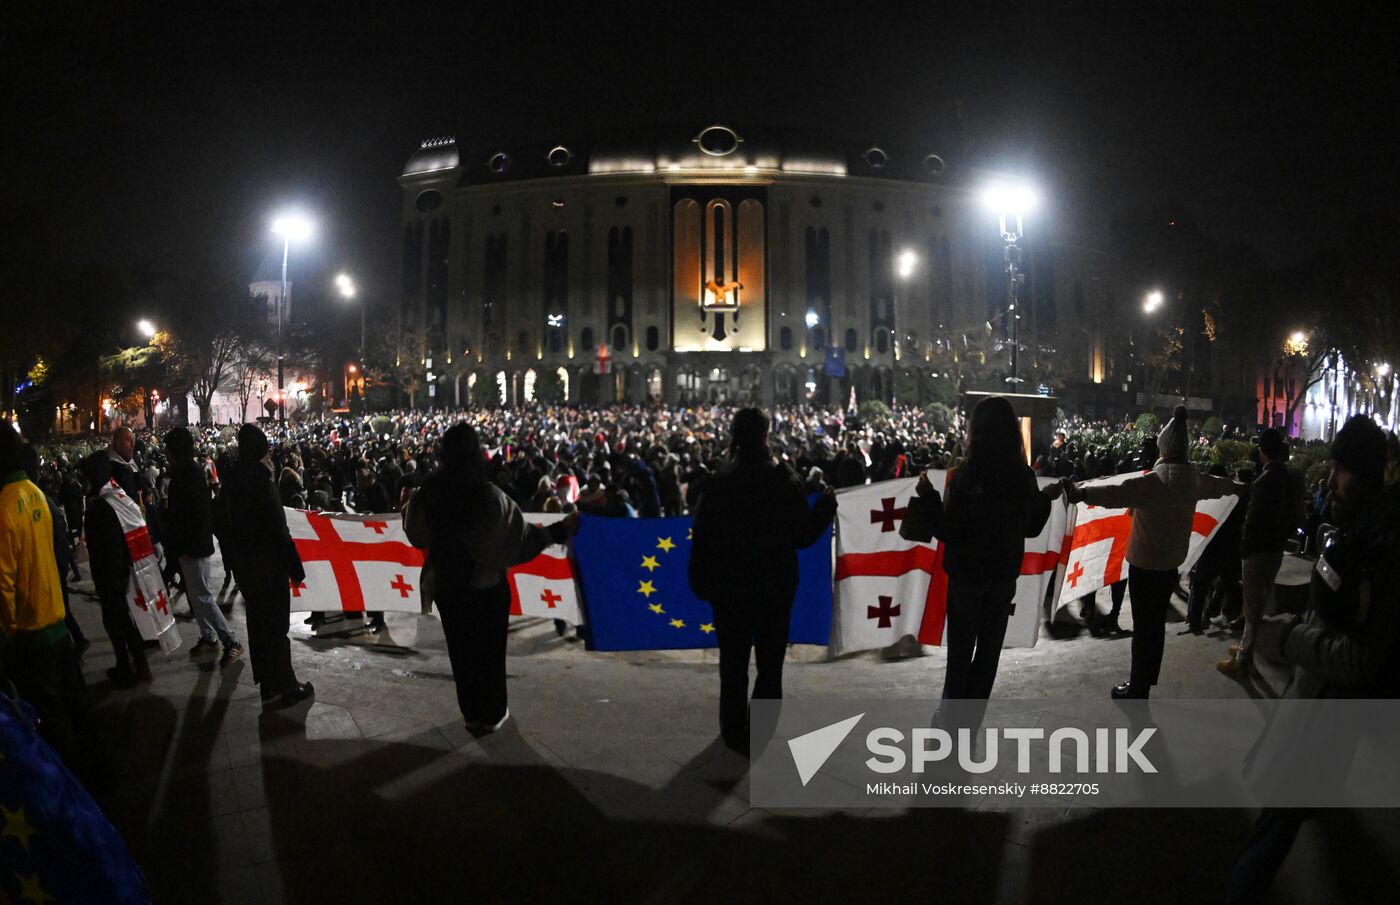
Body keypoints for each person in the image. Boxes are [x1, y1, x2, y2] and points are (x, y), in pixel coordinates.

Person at [1225, 415, 1400, 903]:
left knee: (1271, 831)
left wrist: (1287, 641)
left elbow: (1361, 658)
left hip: (1327, 715)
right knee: (1280, 818)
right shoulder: (1362, 527)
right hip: (1320, 707)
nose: (1331, 481)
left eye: (1340, 469)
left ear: (1363, 471)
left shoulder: (1385, 545)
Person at [1059, 406, 1240, 698]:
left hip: (1144, 566)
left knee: (1143, 629)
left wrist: (1082, 494)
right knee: (1154, 628)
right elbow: (1221, 486)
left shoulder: (1150, 483)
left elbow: (1114, 493)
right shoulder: (1195, 480)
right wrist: (1239, 487)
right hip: (1171, 566)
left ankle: (1138, 686)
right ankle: (1146, 680)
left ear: (1163, 449)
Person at [688, 408, 838, 752]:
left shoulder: (719, 480)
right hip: (774, 585)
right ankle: (762, 731)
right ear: (765, 435)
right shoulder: (781, 480)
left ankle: (732, 729)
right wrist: (825, 507)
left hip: (730, 588)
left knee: (733, 662)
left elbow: (703, 534)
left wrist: (702, 578)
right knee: (770, 663)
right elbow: (802, 535)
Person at [903, 396, 1057, 729]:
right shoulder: (1021, 476)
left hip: (966, 578)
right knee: (988, 653)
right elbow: (1031, 527)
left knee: (960, 652)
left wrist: (929, 498)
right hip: (1001, 578)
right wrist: (1045, 499)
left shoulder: (965, 476)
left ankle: (951, 719)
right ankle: (971, 720)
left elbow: (948, 529)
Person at [418, 423, 578, 733]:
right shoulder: (487, 496)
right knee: (489, 652)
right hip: (484, 587)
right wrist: (559, 530)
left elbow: (416, 532)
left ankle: (470, 713)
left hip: (447, 586)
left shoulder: (428, 491)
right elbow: (517, 541)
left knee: (461, 651)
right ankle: (491, 714)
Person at [0, 427, 99, 779]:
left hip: (31, 633)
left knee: (52, 718)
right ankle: (99, 771)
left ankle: (74, 788)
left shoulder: (4, 507)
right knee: (77, 706)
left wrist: (8, 634)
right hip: (56, 620)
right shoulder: (36, 495)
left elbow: (3, 585)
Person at [222, 425, 312, 708]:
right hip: (270, 568)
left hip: (246, 569)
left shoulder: (231, 482)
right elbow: (279, 531)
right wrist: (296, 569)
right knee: (276, 628)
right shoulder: (263, 484)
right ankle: (287, 686)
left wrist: (234, 560)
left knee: (259, 626)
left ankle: (268, 685)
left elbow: (222, 524)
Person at [163, 427, 243, 670]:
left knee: (203, 597)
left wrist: (182, 546)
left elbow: (187, 515)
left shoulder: (185, 474)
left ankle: (231, 640)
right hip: (194, 544)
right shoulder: (190, 472)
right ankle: (208, 636)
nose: (165, 453)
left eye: (168, 448)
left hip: (192, 546)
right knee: (197, 597)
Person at [1219, 428, 1296, 678]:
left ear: (1262, 450)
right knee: (1257, 606)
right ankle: (1245, 647)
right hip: (1274, 550)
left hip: (1258, 551)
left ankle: (1243, 660)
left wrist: (1244, 548)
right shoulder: (1287, 477)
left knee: (1251, 608)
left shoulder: (1263, 482)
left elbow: (1252, 521)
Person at [80, 452, 152, 687]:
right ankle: (137, 665)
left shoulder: (101, 506)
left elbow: (103, 544)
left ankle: (128, 666)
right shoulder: (116, 498)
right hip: (119, 569)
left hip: (109, 572)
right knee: (122, 619)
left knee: (115, 621)